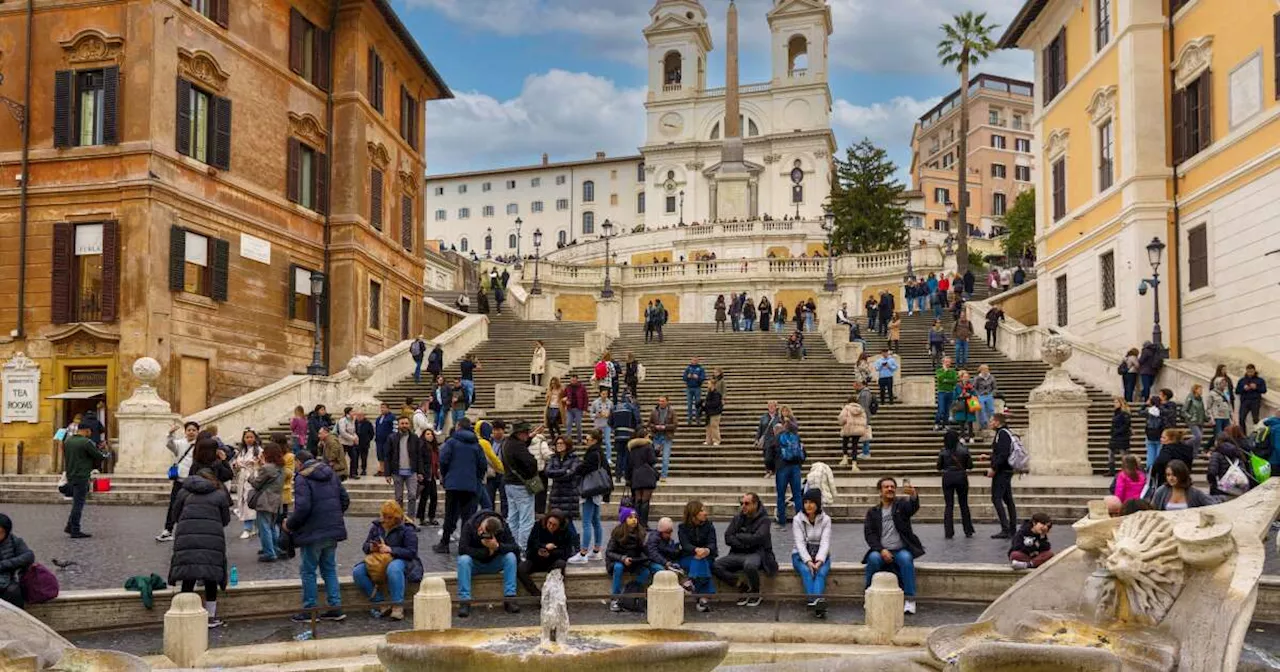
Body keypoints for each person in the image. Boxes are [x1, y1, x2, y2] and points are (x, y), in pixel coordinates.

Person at [284, 450, 349, 622]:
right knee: (329, 569)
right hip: (331, 529)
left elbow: (303, 508)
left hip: (312, 532)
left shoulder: (302, 477)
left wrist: (289, 524)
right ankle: (335, 607)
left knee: (308, 571)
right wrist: (333, 516)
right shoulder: (331, 474)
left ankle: (310, 610)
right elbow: (345, 499)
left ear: (299, 462)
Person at [168, 465, 232, 628]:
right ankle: (210, 617)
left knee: (188, 574)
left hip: (186, 536)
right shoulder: (219, 494)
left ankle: (184, 613)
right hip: (212, 538)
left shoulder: (184, 492)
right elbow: (226, 519)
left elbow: (175, 515)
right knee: (211, 576)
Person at [352, 500, 422, 621]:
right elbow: (365, 546)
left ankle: (397, 606)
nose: (386, 520)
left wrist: (391, 549)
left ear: (396, 517)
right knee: (358, 571)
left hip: (402, 560)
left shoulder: (407, 529)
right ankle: (380, 603)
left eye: (389, 517)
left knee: (393, 568)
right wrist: (371, 547)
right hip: (379, 559)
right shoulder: (377, 526)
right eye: (384, 516)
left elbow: (411, 552)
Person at [863, 477, 923, 615]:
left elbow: (913, 507)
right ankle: (868, 595)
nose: (890, 489)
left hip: (900, 549)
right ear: (880, 491)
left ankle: (910, 599)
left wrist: (913, 495)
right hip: (881, 550)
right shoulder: (873, 512)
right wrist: (881, 550)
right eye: (886, 487)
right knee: (872, 559)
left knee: (906, 559)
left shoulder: (901, 506)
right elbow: (869, 535)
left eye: (892, 487)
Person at [712, 493, 777, 607]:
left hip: (757, 553)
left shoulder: (765, 520)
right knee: (716, 565)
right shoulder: (738, 518)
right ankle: (741, 585)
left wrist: (739, 536)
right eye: (741, 503)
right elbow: (728, 537)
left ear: (755, 504)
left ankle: (756, 592)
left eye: (747, 503)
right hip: (738, 552)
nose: (743, 506)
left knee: (749, 565)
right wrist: (745, 543)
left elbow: (758, 538)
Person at [433, 418, 485, 554]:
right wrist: (476, 478)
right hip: (470, 485)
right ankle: (464, 545)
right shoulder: (476, 444)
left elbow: (443, 460)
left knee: (450, 514)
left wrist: (445, 475)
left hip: (453, 485)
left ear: (458, 427)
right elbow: (482, 465)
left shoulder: (451, 442)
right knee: (468, 516)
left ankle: (444, 543)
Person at [455, 511, 521, 617]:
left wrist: (498, 547)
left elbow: (515, 548)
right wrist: (486, 552)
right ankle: (464, 601)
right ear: (483, 522)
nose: (481, 531)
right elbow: (462, 549)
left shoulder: (503, 528)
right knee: (463, 560)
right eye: (482, 529)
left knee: (510, 557)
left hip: (494, 563)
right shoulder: (470, 525)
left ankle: (510, 597)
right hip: (475, 564)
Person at [64, 423, 109, 539]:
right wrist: (106, 454)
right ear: (86, 430)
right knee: (78, 504)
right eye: (89, 431)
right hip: (82, 475)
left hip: (71, 474)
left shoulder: (68, 441)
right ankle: (75, 530)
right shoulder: (86, 442)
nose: (90, 433)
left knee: (76, 502)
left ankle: (70, 526)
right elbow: (98, 456)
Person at [157, 421, 200, 542]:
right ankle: (168, 530)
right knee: (174, 505)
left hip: (193, 480)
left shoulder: (200, 445)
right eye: (189, 430)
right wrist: (170, 434)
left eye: (194, 430)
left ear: (197, 432)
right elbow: (170, 445)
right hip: (180, 479)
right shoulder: (180, 443)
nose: (191, 432)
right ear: (185, 432)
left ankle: (190, 530)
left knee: (192, 506)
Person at [792, 489, 832, 618]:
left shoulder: (826, 520)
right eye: (806, 502)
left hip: (821, 555)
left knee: (821, 573)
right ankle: (817, 603)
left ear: (818, 504)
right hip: (800, 555)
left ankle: (814, 603)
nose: (808, 505)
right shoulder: (797, 519)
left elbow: (825, 542)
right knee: (806, 571)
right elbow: (799, 543)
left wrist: (819, 561)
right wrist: (808, 561)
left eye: (812, 502)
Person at [501, 421, 539, 554]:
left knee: (513, 518)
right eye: (526, 433)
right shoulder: (518, 446)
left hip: (509, 484)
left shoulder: (507, 443)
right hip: (521, 485)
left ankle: (512, 546)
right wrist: (533, 466)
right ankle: (523, 548)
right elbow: (531, 463)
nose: (528, 435)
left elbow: (519, 449)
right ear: (520, 433)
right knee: (526, 519)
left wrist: (531, 438)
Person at [517, 510, 573, 598]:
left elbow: (566, 552)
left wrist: (551, 553)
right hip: (536, 559)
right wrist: (542, 547)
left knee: (561, 564)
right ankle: (536, 594)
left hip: (553, 561)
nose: (551, 526)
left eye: (554, 525)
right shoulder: (538, 526)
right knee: (521, 568)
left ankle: (552, 594)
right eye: (549, 523)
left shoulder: (566, 532)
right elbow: (530, 545)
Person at [606, 506, 650, 612]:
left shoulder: (640, 532)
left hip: (634, 561)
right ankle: (615, 598)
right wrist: (622, 558)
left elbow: (644, 551)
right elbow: (609, 552)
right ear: (624, 519)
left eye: (635, 517)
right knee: (618, 567)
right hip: (618, 561)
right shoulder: (617, 533)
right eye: (630, 517)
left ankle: (629, 593)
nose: (634, 519)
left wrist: (645, 553)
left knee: (646, 572)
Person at [678, 501, 718, 613]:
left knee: (702, 561)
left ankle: (690, 582)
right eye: (702, 510)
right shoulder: (682, 527)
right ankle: (703, 599)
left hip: (706, 556)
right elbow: (685, 545)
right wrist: (696, 550)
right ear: (693, 513)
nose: (705, 513)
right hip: (688, 557)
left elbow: (712, 543)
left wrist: (706, 550)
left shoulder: (709, 526)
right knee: (702, 563)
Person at [249, 442, 286, 562]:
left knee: (264, 527)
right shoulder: (281, 468)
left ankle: (269, 552)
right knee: (271, 526)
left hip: (265, 500)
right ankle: (275, 549)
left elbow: (256, 483)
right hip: (277, 500)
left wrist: (252, 472)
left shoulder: (267, 468)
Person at [544, 435, 581, 549]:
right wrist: (564, 472)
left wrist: (558, 474)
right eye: (557, 444)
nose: (559, 446)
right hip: (556, 495)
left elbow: (572, 473)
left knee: (567, 522)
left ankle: (576, 546)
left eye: (561, 443)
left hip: (569, 494)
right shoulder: (553, 458)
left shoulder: (574, 458)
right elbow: (548, 472)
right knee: (556, 522)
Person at [385, 415, 423, 524]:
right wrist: (387, 474)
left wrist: (420, 472)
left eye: (406, 423)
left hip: (411, 471)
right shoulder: (392, 438)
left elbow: (419, 455)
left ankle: (410, 519)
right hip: (397, 471)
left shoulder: (415, 438)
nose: (404, 425)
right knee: (399, 497)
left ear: (409, 424)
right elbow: (387, 456)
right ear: (398, 425)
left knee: (412, 495)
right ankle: (399, 519)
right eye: (402, 423)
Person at [767, 418, 805, 528]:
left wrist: (771, 468)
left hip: (782, 468)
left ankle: (782, 520)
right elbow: (803, 453)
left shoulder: (776, 439)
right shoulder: (796, 437)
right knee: (797, 495)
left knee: (781, 496)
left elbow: (769, 456)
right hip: (795, 468)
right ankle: (800, 519)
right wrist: (799, 464)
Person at [937, 429, 974, 539]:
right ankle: (968, 530)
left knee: (949, 505)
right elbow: (970, 465)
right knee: (964, 504)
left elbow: (939, 466)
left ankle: (949, 532)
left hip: (948, 477)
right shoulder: (964, 449)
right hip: (961, 478)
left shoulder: (943, 451)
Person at [988, 413, 1018, 539]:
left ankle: (1006, 528)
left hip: (1002, 471)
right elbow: (1000, 452)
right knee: (1007, 499)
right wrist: (989, 457)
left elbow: (1003, 454)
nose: (990, 423)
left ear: (997, 422)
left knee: (996, 498)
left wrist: (994, 468)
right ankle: (1011, 528)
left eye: (991, 421)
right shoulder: (1004, 433)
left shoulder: (1002, 434)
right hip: (1006, 470)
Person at [1206, 425, 1254, 499]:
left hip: (1220, 490)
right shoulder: (1237, 452)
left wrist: (1213, 484)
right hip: (1237, 490)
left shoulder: (1216, 454)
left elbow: (1212, 472)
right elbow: (1243, 469)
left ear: (1218, 441)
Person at [230, 431, 261, 539]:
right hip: (242, 478)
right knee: (242, 501)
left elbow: (259, 464)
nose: (249, 439)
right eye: (247, 437)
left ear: (255, 438)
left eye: (251, 437)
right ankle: (252, 526)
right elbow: (237, 463)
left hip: (253, 477)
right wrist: (236, 465)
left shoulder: (259, 451)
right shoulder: (241, 451)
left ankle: (248, 528)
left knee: (250, 501)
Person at [627, 428, 659, 527]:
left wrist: (628, 478)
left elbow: (629, 464)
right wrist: (656, 453)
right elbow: (652, 460)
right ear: (645, 436)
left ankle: (636, 522)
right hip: (647, 474)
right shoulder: (648, 446)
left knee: (638, 500)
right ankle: (643, 523)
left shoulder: (632, 447)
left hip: (636, 475)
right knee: (645, 500)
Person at [0, 514, 34, 608]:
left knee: (14, 593)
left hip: (7, 581)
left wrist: (5, 565)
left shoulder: (14, 541)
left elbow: (28, 556)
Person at [1149, 428, 1195, 495]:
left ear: (1171, 439)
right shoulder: (1187, 449)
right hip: (1184, 480)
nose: (1161, 439)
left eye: (1163, 438)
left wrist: (1156, 472)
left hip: (1167, 482)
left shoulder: (1167, 449)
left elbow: (1160, 462)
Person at [609, 393, 639, 481]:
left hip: (618, 435)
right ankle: (627, 476)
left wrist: (615, 428)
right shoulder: (631, 407)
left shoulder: (615, 408)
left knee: (619, 455)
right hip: (629, 435)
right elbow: (637, 420)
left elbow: (609, 422)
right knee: (627, 456)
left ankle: (618, 476)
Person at [416, 428, 441, 526]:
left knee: (434, 497)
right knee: (424, 497)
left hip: (432, 475)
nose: (430, 436)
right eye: (427, 434)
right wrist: (421, 473)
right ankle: (421, 518)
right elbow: (420, 460)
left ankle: (431, 517)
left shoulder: (434, 447)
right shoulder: (422, 446)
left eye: (431, 434)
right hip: (426, 475)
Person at [838, 394, 870, 472]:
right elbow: (864, 420)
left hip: (848, 428)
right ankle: (854, 464)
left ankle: (845, 458)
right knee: (854, 446)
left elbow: (841, 418)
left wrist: (843, 423)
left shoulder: (846, 408)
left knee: (845, 443)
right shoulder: (861, 409)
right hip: (858, 430)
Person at [648, 396, 678, 481]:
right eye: (660, 401)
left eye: (663, 401)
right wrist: (655, 427)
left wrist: (665, 427)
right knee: (652, 457)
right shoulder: (654, 411)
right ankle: (651, 474)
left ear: (667, 402)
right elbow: (649, 424)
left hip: (666, 436)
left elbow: (675, 425)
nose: (661, 403)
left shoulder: (672, 412)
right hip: (656, 436)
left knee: (665, 457)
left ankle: (663, 475)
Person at [1236, 364, 1268, 431]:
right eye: (1248, 372)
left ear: (1254, 371)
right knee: (1241, 418)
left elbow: (1264, 390)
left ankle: (1256, 434)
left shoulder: (1260, 380)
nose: (1250, 373)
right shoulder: (1242, 380)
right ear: (1246, 371)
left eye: (1251, 372)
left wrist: (1256, 388)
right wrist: (1243, 389)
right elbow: (1237, 391)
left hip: (1255, 401)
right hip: (1245, 401)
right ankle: (1243, 435)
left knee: (1255, 419)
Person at [1108, 397, 1132, 476]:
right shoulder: (1116, 413)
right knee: (1111, 453)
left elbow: (1126, 425)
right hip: (1115, 437)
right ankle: (1111, 471)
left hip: (1122, 437)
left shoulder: (1125, 413)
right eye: (1114, 402)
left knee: (1123, 454)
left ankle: (1125, 470)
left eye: (1116, 402)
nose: (1114, 404)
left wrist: (1118, 431)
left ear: (1121, 403)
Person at [934, 357, 958, 432]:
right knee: (941, 409)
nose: (947, 363)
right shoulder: (939, 371)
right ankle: (937, 423)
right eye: (946, 362)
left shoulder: (953, 371)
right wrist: (945, 371)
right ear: (943, 362)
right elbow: (940, 379)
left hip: (950, 392)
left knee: (947, 409)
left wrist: (946, 380)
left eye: (949, 362)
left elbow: (954, 381)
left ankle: (945, 424)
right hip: (942, 392)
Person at [563, 374, 589, 443]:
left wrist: (585, 409)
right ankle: (568, 441)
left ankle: (579, 439)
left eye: (574, 380)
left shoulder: (582, 387)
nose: (573, 381)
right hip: (569, 409)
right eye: (571, 380)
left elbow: (586, 399)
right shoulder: (567, 387)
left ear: (577, 380)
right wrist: (565, 400)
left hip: (578, 409)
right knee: (568, 424)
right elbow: (563, 396)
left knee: (578, 425)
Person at [682, 357, 706, 425]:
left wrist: (697, 377)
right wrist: (688, 376)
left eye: (696, 360)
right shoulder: (688, 368)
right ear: (691, 361)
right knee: (689, 404)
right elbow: (684, 378)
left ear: (698, 361)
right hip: (689, 388)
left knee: (697, 404)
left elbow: (703, 378)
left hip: (697, 388)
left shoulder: (701, 368)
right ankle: (689, 419)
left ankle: (697, 418)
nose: (694, 361)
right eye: (693, 360)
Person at [374, 403, 395, 477]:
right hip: (379, 440)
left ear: (388, 408)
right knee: (380, 455)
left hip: (387, 440)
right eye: (381, 408)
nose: (382, 409)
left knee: (387, 455)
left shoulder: (391, 417)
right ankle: (381, 469)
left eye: (384, 408)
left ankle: (388, 470)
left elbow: (394, 429)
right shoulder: (379, 418)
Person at [703, 378, 724, 447]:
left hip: (715, 412)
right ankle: (708, 440)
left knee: (714, 426)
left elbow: (716, 403)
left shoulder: (716, 394)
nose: (707, 385)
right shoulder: (709, 393)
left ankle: (716, 440)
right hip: (709, 412)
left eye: (709, 384)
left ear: (713, 385)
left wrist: (707, 404)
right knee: (708, 426)